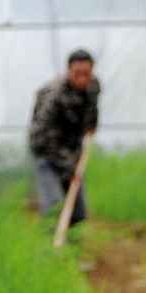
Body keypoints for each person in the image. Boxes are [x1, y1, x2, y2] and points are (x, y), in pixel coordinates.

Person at [29, 49, 100, 227]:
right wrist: (69, 168)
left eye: (87, 74)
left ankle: (72, 250)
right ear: (69, 71)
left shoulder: (93, 85)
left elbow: (92, 107)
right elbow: (44, 137)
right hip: (46, 151)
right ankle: (50, 249)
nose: (82, 80)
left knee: (77, 211)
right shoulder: (53, 96)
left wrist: (92, 124)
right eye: (77, 74)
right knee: (54, 204)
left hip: (71, 149)